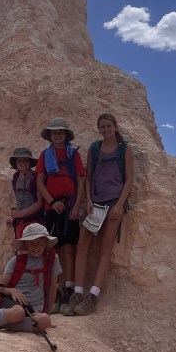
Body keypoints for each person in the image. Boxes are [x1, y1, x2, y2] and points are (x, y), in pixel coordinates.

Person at [62, 112, 133, 316]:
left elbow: (129, 179)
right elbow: (89, 177)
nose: (106, 130)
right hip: (96, 205)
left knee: (105, 248)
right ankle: (77, 293)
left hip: (114, 204)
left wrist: (120, 205)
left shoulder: (124, 148)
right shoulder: (94, 148)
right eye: (102, 127)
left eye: (109, 126)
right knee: (82, 245)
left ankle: (93, 296)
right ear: (99, 129)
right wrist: (89, 201)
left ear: (115, 126)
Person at [35, 117, 85, 312]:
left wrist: (76, 206)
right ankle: (56, 291)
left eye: (60, 132)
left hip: (70, 206)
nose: (57, 135)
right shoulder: (44, 155)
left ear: (65, 135)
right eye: (54, 132)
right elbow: (40, 182)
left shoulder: (74, 155)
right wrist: (51, 201)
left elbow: (80, 181)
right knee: (54, 249)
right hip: (52, 208)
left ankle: (69, 289)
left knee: (69, 248)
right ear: (50, 135)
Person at [7, 147, 44, 239]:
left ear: (30, 162)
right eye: (19, 160)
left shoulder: (36, 177)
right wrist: (14, 217)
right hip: (20, 222)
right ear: (15, 162)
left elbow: (40, 203)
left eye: (25, 160)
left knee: (34, 244)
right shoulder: (15, 177)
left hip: (35, 220)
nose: (22, 162)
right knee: (21, 245)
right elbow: (18, 199)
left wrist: (19, 214)